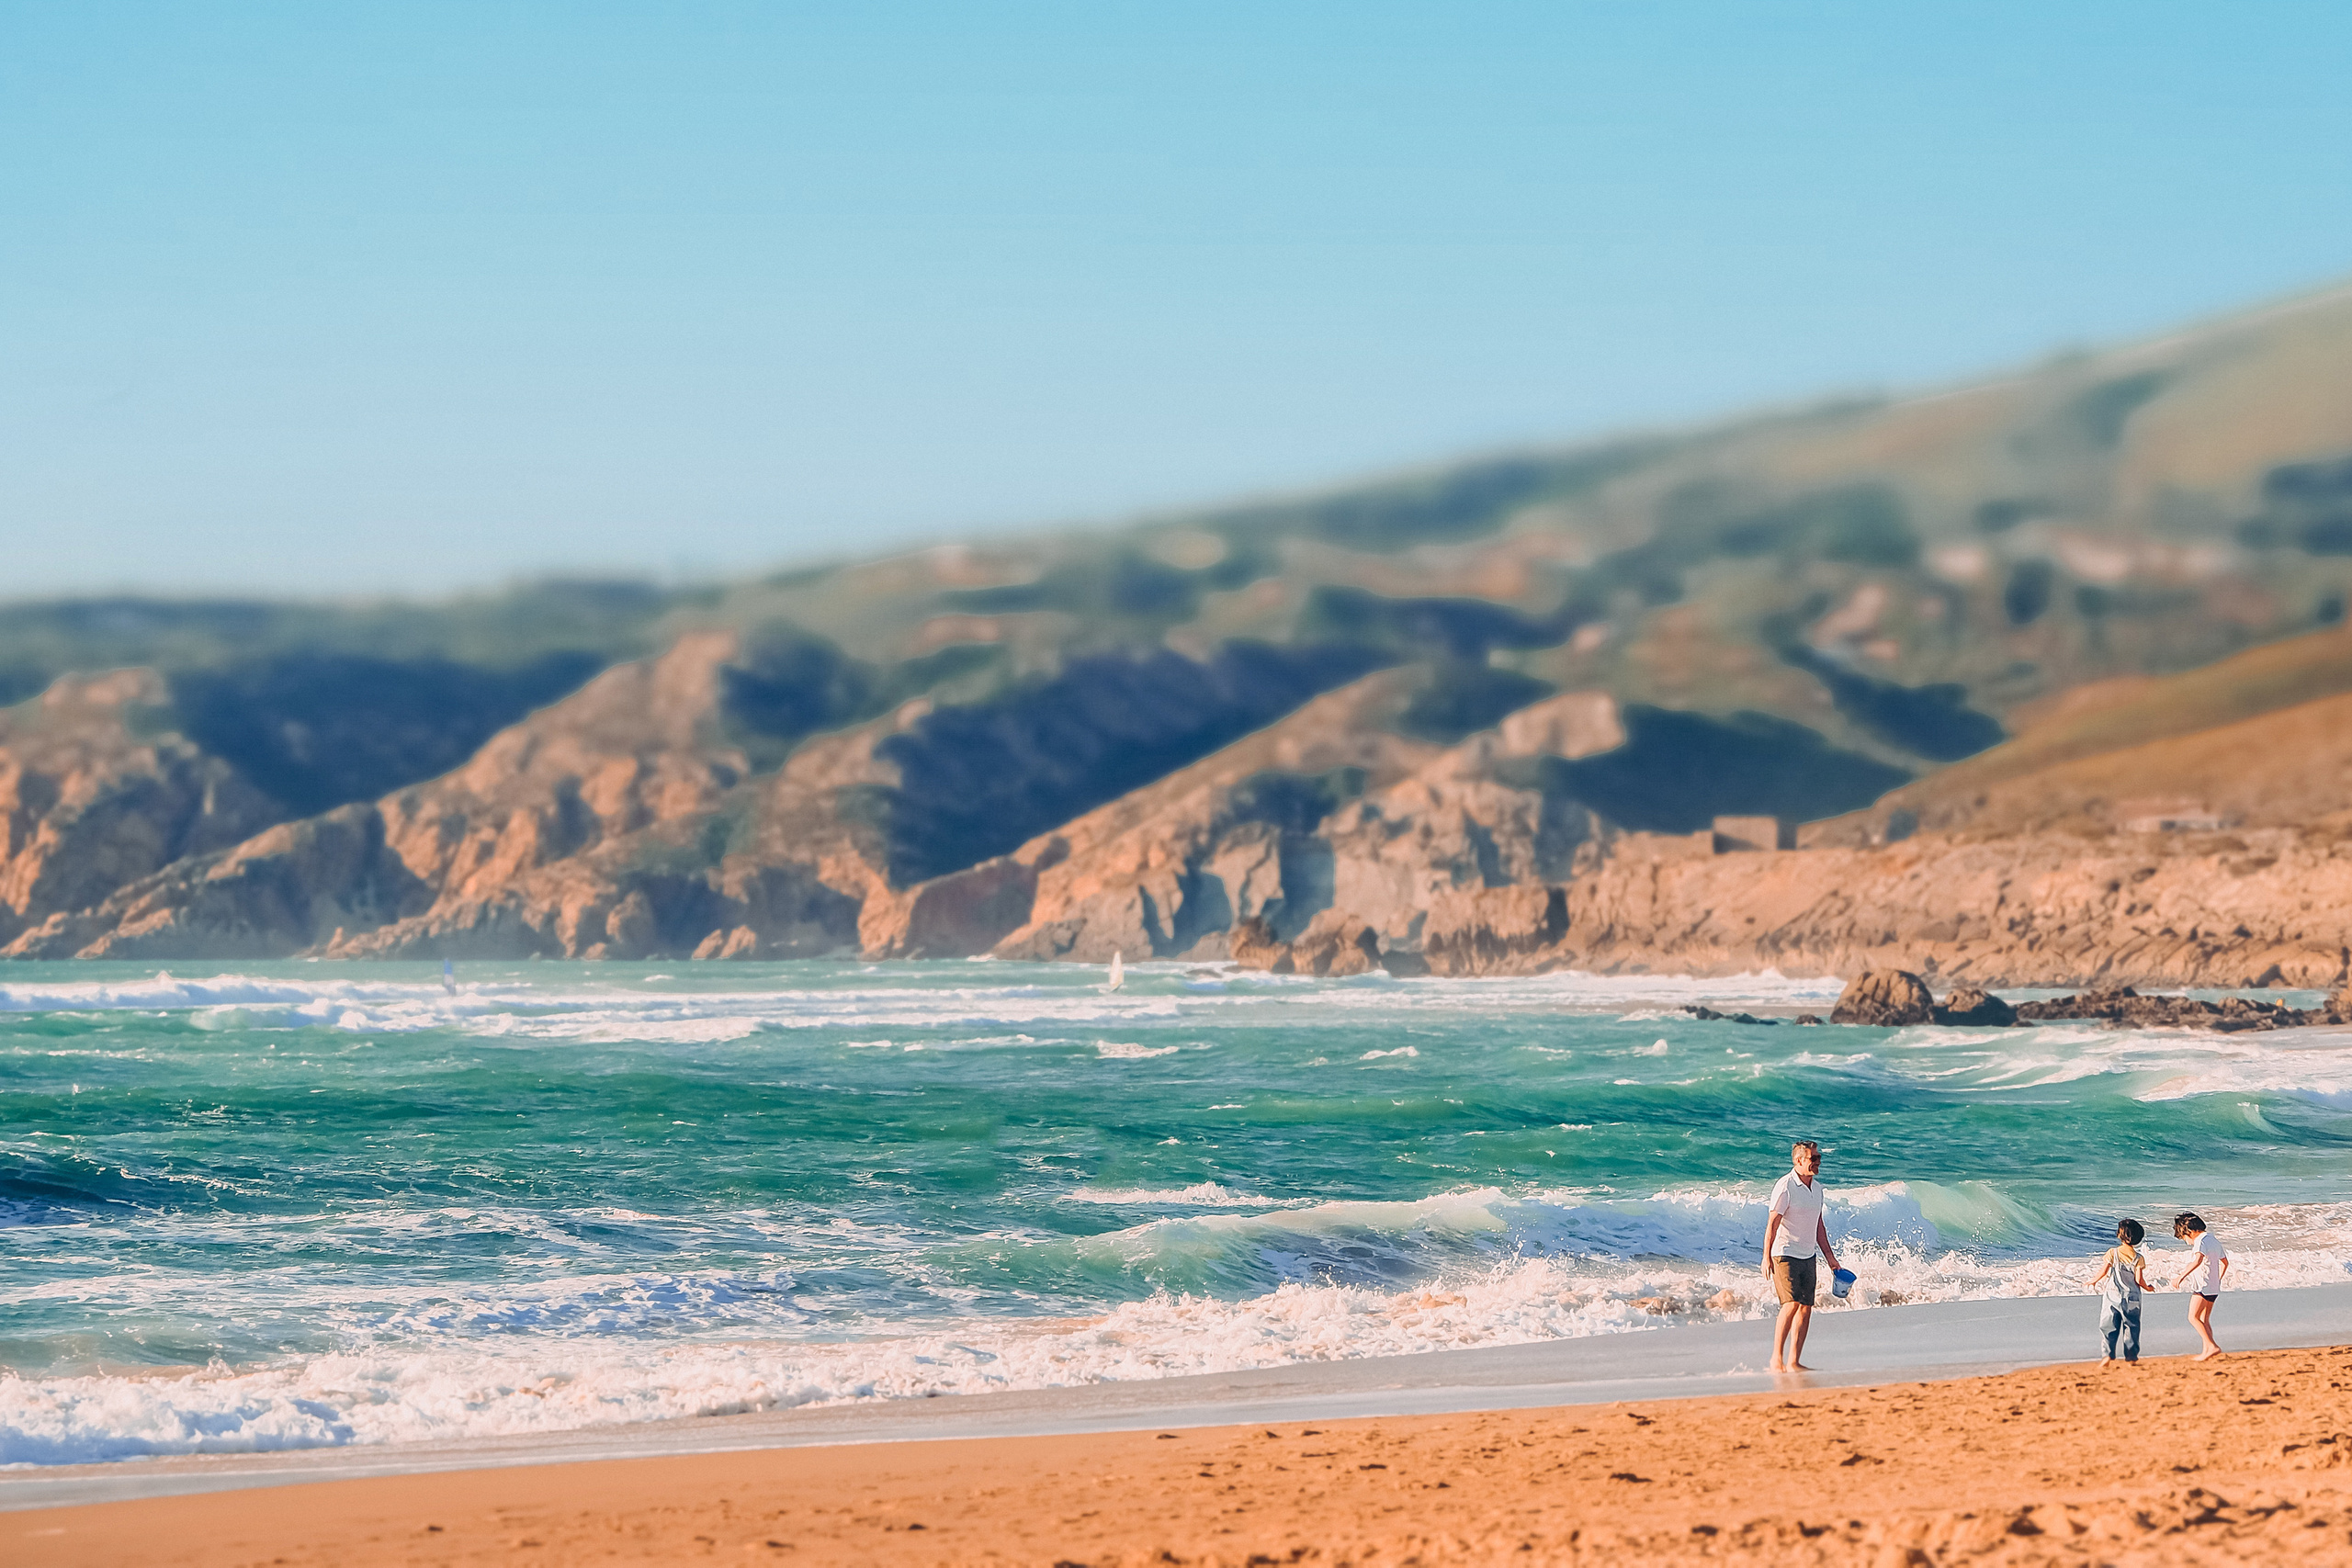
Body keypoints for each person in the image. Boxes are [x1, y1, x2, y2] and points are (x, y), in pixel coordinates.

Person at [1760, 1139, 1839, 1372]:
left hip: (1808, 1255)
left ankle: (1794, 1361)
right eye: (1812, 1159)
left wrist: (1830, 1258)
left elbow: (1819, 1226)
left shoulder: (1817, 1189)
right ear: (1798, 1161)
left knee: (1805, 1306)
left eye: (1818, 1158)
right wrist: (1766, 1256)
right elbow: (1772, 1224)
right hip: (1784, 1254)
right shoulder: (1785, 1186)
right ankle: (1776, 1358)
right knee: (1791, 1303)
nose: (1817, 1162)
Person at [2084, 1218, 2150, 1368]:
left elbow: (2104, 1271)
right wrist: (2148, 1288)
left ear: (2119, 1235)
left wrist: (2093, 1281)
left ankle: (2107, 1355)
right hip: (2132, 1297)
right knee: (2132, 1326)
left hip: (2112, 1295)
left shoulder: (2113, 1253)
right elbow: (2139, 1280)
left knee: (2108, 1325)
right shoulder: (2139, 1258)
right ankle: (2132, 1356)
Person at [2170, 1212, 2230, 1360]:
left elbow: (2197, 1261)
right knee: (2204, 1319)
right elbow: (2225, 1262)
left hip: (2202, 1286)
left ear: (2189, 1232)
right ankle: (2207, 1351)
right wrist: (2217, 1279)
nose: (2185, 1241)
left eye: (2184, 1238)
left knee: (2193, 1317)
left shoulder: (2200, 1241)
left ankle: (2212, 1345)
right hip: (2213, 1287)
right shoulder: (2213, 1240)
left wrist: (2180, 1276)